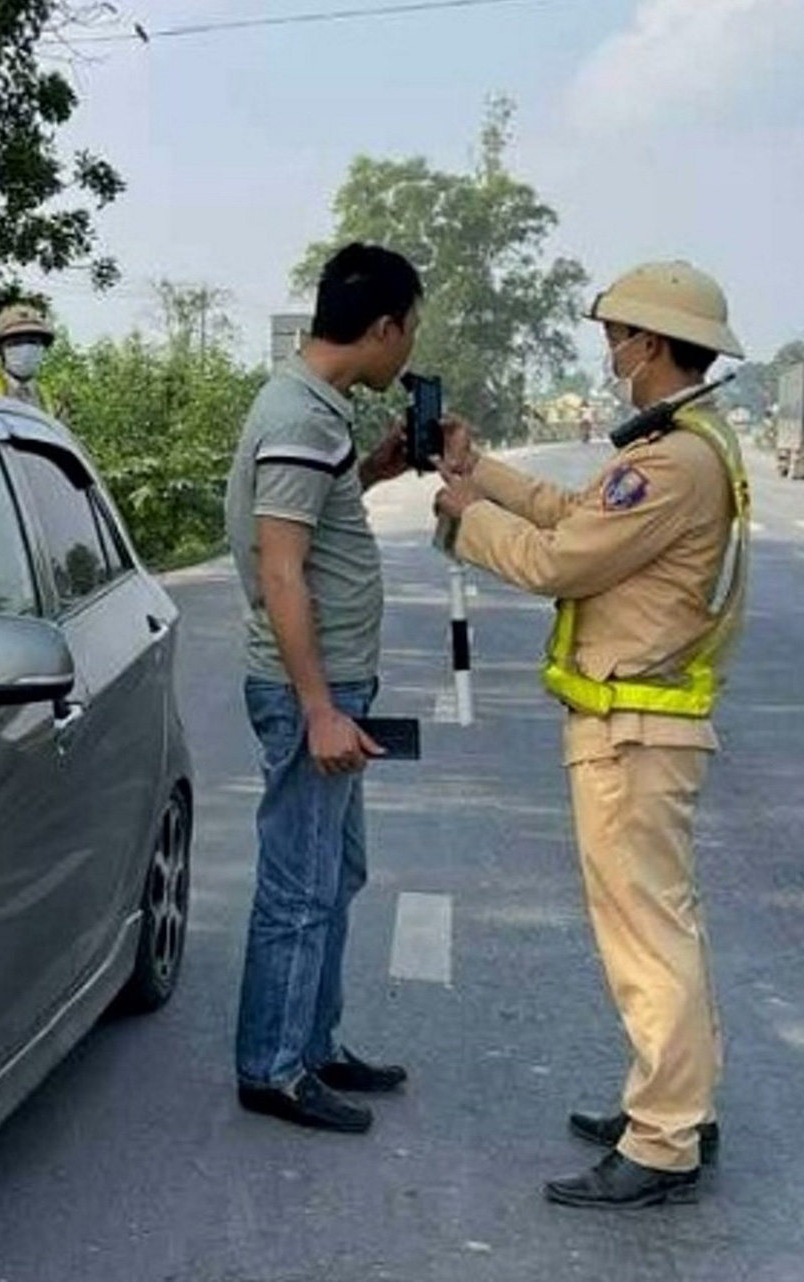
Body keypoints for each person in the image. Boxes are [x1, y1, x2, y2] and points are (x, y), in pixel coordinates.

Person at [432, 261, 751, 1208]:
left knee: (648, 940)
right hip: (637, 726)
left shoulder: (673, 461)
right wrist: (478, 469)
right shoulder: (678, 446)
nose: (608, 351)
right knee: (661, 929)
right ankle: (676, 1106)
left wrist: (463, 516)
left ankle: (663, 1142)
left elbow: (560, 561)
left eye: (616, 334)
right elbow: (580, 515)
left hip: (633, 732)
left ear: (650, 342)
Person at [226, 242, 465, 1134]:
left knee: (337, 870)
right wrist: (321, 707)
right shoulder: (300, 415)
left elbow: (311, 513)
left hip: (331, 684)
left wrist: (378, 468)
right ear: (382, 327)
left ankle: (311, 1042)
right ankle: (274, 1068)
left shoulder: (316, 413)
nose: (409, 351)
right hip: (308, 690)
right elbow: (283, 570)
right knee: (298, 881)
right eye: (411, 331)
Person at [0, 304, 61, 416]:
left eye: (33, 342)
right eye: (16, 342)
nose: (26, 350)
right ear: (0, 349)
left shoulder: (53, 403)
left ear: (42, 347)